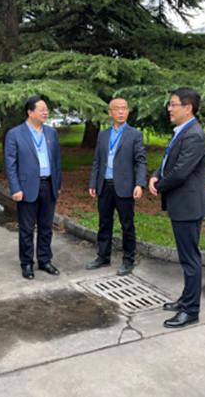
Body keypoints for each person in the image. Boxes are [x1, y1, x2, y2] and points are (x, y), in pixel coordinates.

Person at [149, 87, 205, 328]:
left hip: (188, 206)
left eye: (173, 104)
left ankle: (191, 310)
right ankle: (186, 298)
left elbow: (180, 172)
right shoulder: (183, 131)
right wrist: (156, 175)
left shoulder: (194, 135)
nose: (169, 108)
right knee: (186, 257)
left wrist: (159, 185)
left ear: (188, 107)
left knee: (190, 259)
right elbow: (169, 161)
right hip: (182, 204)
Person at [86, 98, 147, 276]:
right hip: (105, 185)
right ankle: (103, 256)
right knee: (104, 223)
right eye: (117, 109)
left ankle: (128, 260)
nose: (121, 112)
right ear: (110, 113)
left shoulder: (135, 134)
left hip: (125, 186)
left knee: (127, 225)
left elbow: (141, 161)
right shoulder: (103, 135)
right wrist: (93, 182)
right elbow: (97, 160)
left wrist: (139, 184)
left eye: (124, 108)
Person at [4, 96, 62, 280]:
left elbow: (57, 161)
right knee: (27, 229)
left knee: (46, 227)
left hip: (48, 185)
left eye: (47, 109)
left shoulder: (51, 133)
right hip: (26, 187)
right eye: (42, 110)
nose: (46, 113)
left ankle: (45, 260)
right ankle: (27, 263)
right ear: (30, 112)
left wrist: (57, 184)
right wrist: (15, 188)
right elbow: (11, 164)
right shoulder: (15, 134)